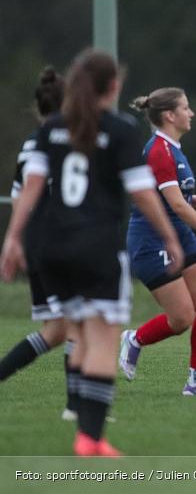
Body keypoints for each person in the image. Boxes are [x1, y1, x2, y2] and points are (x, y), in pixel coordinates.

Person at [0, 49, 183, 456]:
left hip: (49, 247)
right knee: (100, 339)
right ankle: (91, 437)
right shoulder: (118, 129)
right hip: (96, 246)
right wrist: (169, 236)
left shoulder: (51, 130)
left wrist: (13, 238)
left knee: (76, 333)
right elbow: (141, 192)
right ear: (113, 87)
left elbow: (29, 190)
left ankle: (81, 421)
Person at [119, 88, 196, 397]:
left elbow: (175, 199)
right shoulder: (159, 151)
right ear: (170, 115)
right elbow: (177, 207)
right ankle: (134, 340)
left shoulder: (173, 148)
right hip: (150, 240)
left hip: (178, 235)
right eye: (186, 107)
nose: (191, 113)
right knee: (182, 317)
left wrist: (191, 198)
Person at [0, 67, 78, 420]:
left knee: (56, 330)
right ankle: (77, 407)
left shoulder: (32, 143)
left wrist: (18, 241)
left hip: (38, 246)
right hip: (67, 244)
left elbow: (20, 198)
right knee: (80, 323)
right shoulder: (70, 141)